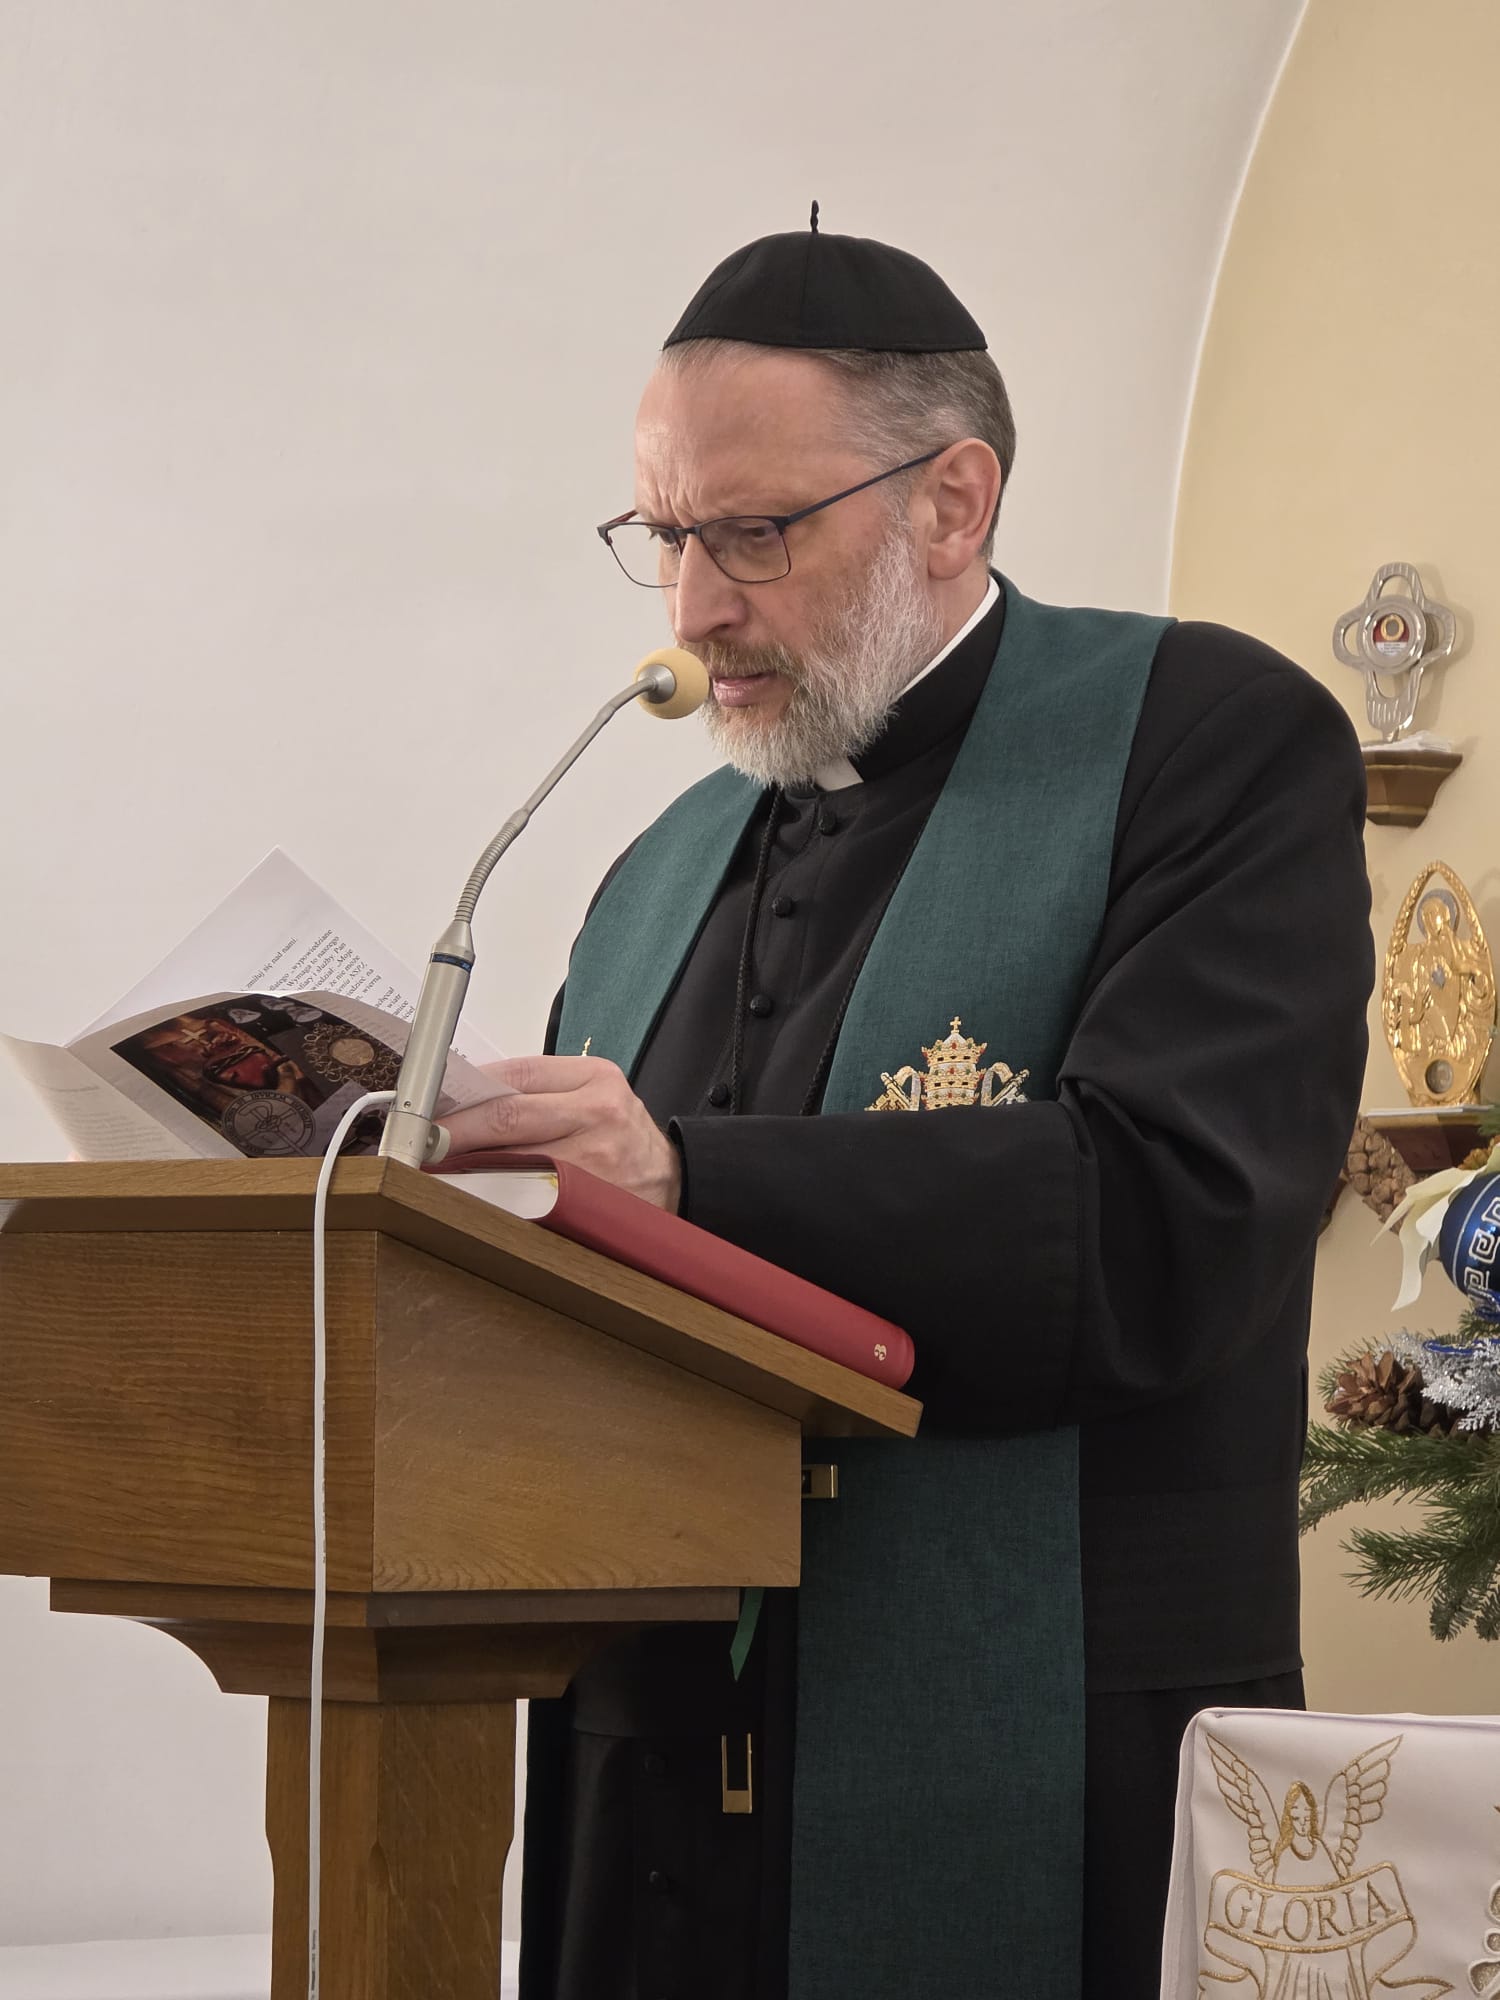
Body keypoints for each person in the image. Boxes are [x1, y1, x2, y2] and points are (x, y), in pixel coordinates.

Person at [437, 218, 1372, 1999]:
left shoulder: (1205, 742)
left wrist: (680, 1174)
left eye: (754, 533)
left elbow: (1170, 1214)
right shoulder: (661, 866)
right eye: (666, 536)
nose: (694, 609)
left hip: (1043, 1735)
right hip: (648, 1777)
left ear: (953, 503)